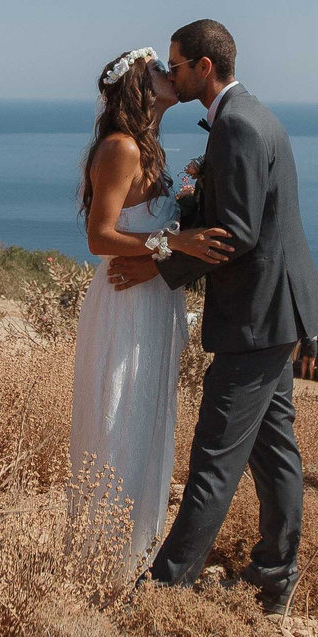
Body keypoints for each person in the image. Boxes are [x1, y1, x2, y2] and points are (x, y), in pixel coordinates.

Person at [107, 19, 318, 615]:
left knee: (212, 464)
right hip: (275, 313)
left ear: (205, 67)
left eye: (176, 66)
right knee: (275, 449)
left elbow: (237, 234)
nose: (171, 75)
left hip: (256, 320)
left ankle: (157, 596)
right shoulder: (251, 114)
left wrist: (158, 264)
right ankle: (276, 576)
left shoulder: (235, 125)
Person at [65, 46, 235, 573]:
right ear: (140, 86)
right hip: (125, 306)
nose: (170, 73)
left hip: (153, 304)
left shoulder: (149, 147)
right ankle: (101, 560)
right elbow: (100, 237)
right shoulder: (121, 148)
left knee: (148, 420)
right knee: (119, 420)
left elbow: (149, 228)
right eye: (159, 69)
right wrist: (175, 244)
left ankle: (133, 552)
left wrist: (182, 210)